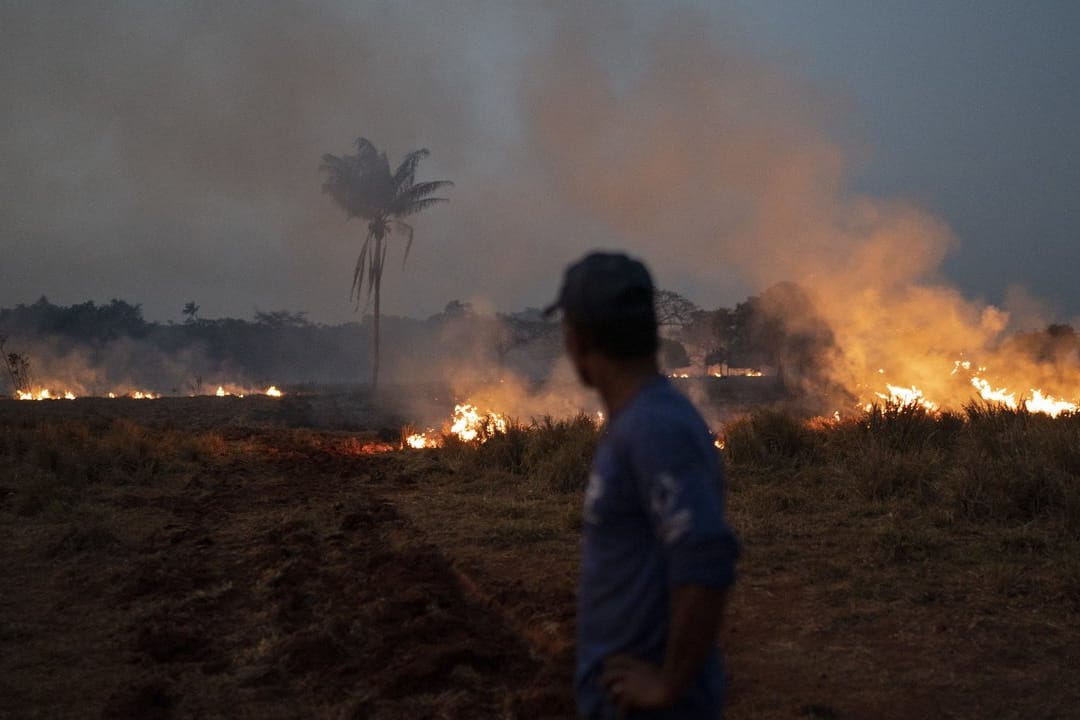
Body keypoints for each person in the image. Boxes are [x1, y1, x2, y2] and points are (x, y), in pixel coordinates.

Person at [544, 251, 740, 719]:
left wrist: (668, 683)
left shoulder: (655, 427)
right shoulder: (636, 420)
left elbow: (707, 554)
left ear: (579, 339)